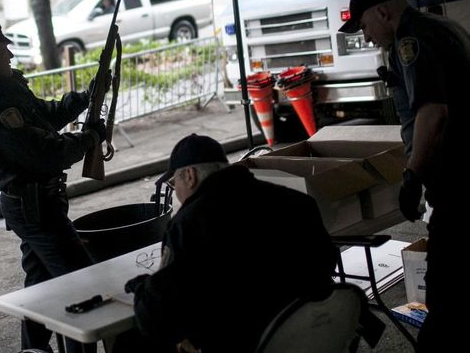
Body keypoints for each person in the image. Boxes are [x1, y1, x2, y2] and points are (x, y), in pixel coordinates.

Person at [340, 0, 470, 352]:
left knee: (449, 296)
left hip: (467, 180)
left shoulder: (412, 41)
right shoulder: (444, 26)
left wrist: (412, 176)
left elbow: (432, 114)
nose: (367, 37)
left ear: (383, 13)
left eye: (365, 26)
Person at [0, 17, 106, 353]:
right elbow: (41, 153)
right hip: (32, 206)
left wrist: (85, 97)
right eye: (4, 50)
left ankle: (31, 349)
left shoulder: (3, 89)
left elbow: (45, 116)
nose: (11, 56)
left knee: (40, 286)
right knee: (81, 285)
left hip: (37, 203)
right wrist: (89, 138)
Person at [114, 133, 338, 353]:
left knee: (129, 341)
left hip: (245, 341)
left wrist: (143, 289)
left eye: (174, 183)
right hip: (313, 331)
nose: (177, 193)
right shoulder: (297, 201)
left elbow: (161, 315)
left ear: (190, 176)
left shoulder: (188, 224)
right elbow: (327, 262)